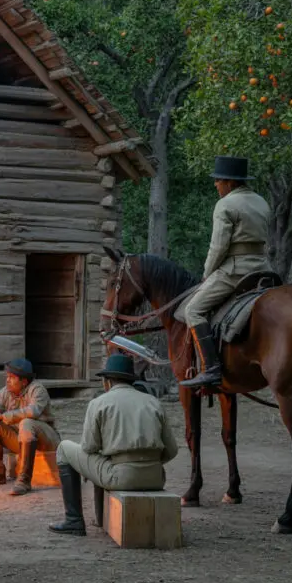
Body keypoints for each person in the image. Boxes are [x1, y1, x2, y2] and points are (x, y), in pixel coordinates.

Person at [49, 354, 178, 536]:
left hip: (121, 477)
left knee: (64, 448)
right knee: (104, 455)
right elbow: (172, 450)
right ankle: (101, 519)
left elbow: (89, 447)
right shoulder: (153, 402)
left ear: (107, 382)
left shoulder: (99, 403)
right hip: (155, 477)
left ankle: (74, 520)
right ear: (131, 380)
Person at [180, 155, 272, 388]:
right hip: (263, 270)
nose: (215, 184)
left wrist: (207, 272)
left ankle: (211, 368)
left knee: (193, 310)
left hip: (234, 271)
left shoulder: (226, 205)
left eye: (218, 180)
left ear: (230, 182)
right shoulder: (262, 201)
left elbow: (218, 246)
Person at [0, 358, 59, 496]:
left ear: (24, 381)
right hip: (22, 440)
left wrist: (5, 416)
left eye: (12, 377)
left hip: (47, 440)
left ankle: (24, 481)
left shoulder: (37, 389)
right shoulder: (6, 391)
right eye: (7, 377)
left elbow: (33, 411)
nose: (7, 380)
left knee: (27, 422)